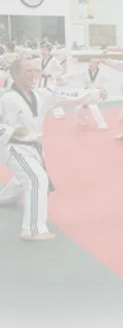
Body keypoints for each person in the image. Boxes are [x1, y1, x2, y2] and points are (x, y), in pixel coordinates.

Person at [0, 57, 106, 240]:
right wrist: (11, 130)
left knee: (24, 177)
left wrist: (95, 94)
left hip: (34, 147)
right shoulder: (6, 99)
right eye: (28, 71)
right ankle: (33, 230)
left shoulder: (41, 95)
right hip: (14, 147)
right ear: (16, 75)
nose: (34, 75)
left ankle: (4, 198)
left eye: (34, 71)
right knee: (36, 180)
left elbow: (67, 95)